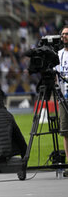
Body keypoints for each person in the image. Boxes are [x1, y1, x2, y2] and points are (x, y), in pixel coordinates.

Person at [56, 25, 68, 176]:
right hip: (63, 98)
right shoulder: (58, 54)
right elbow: (55, 75)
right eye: (63, 34)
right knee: (65, 132)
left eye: (67, 34)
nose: (65, 36)